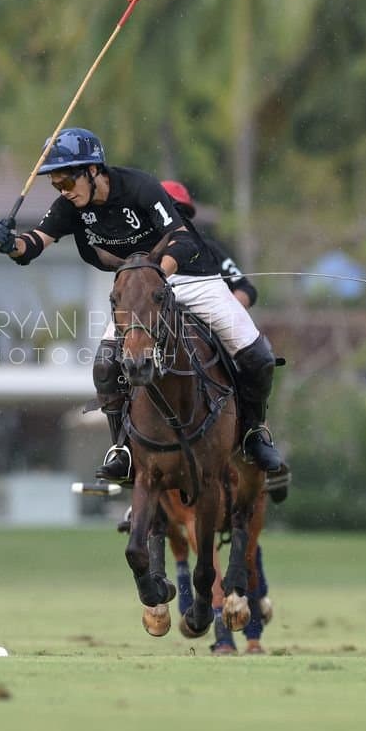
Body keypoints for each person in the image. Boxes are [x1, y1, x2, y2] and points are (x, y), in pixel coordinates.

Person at [0, 127, 283, 485]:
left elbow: (183, 237)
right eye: (57, 185)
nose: (64, 191)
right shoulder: (70, 207)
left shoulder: (139, 187)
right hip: (138, 292)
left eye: (67, 181)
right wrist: (8, 244)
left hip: (190, 276)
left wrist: (155, 275)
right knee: (106, 364)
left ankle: (253, 432)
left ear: (94, 170)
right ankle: (122, 449)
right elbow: (34, 244)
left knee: (258, 356)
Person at [160, 180, 289, 500]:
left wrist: (222, 309)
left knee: (248, 363)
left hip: (208, 326)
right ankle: (125, 448)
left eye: (180, 212)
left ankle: (253, 433)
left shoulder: (210, 250)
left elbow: (247, 289)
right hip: (162, 331)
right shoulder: (142, 251)